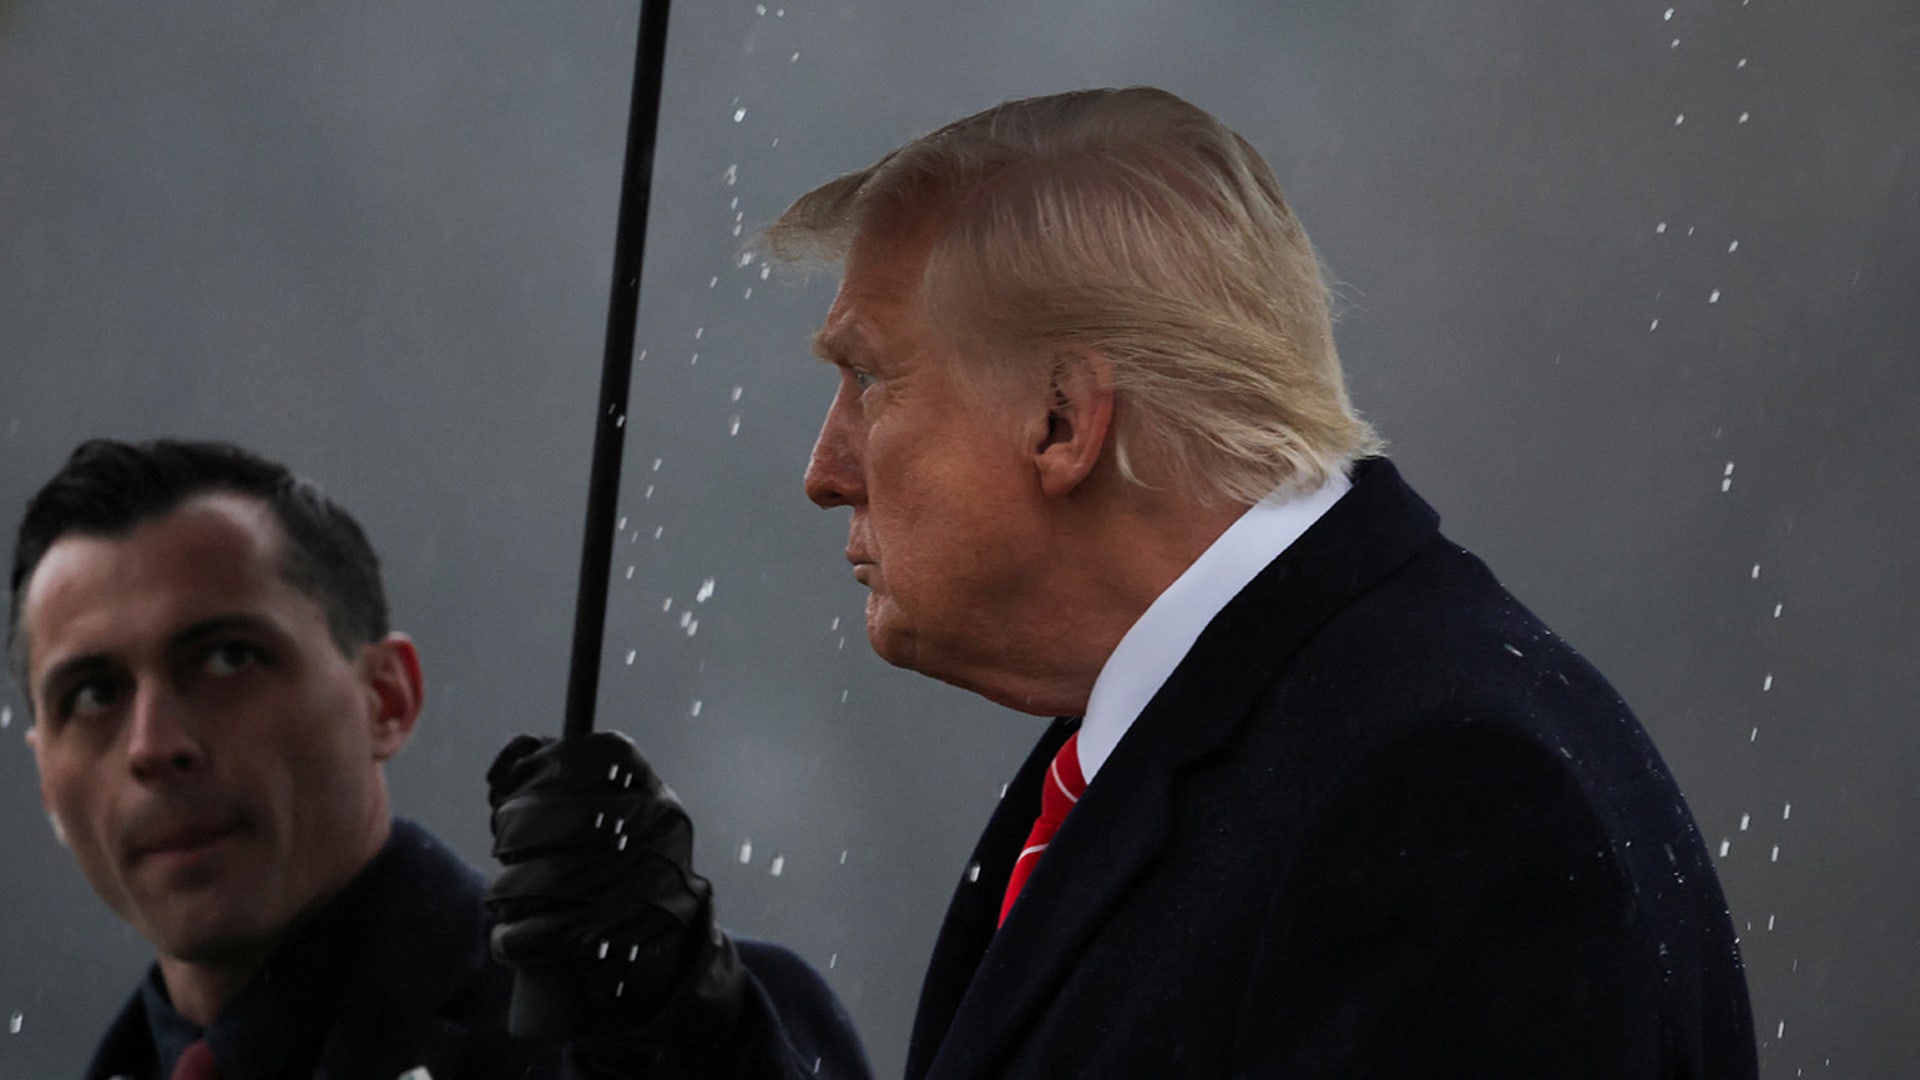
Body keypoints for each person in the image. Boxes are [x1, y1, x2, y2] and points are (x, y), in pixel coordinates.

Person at [489, 87, 1758, 1077]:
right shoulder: (1239, 727)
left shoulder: (1444, 793)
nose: (825, 470)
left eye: (870, 379)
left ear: (1062, 419)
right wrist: (678, 1027)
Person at [10, 438, 865, 1079]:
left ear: (386, 697)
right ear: (44, 776)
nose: (157, 745)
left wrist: (681, 1020)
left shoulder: (659, 1033)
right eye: (91, 695)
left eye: (228, 658)